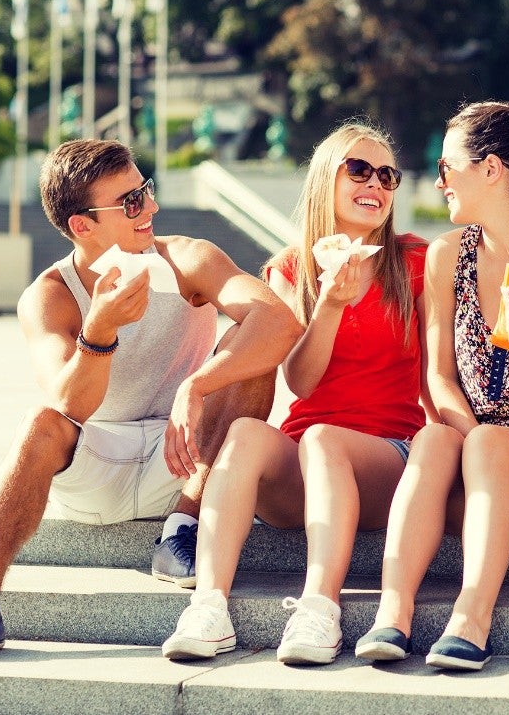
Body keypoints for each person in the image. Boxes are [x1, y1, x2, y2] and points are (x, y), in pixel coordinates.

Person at [0, 139, 299, 661]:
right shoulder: (51, 294)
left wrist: (196, 385)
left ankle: (182, 530)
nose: (151, 207)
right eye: (130, 202)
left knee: (248, 353)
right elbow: (70, 403)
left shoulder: (187, 258)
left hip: (185, 456)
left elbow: (279, 321)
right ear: (82, 225)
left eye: (145, 190)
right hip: (97, 468)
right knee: (40, 422)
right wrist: (99, 330)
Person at [161, 123, 431, 665]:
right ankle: (208, 607)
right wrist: (329, 305)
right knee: (246, 433)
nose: (375, 184)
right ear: (325, 179)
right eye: (359, 170)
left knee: (325, 439)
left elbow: (436, 375)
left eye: (387, 176)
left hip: (388, 459)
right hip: (303, 464)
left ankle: (319, 608)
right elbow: (301, 382)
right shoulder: (290, 267)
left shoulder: (415, 260)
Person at [355, 101, 509, 671]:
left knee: (486, 443)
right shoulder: (448, 255)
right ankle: (393, 612)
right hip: (474, 449)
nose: (438, 181)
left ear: (490, 169)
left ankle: (472, 618)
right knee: (433, 438)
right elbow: (438, 377)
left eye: (447, 167)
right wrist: (468, 438)